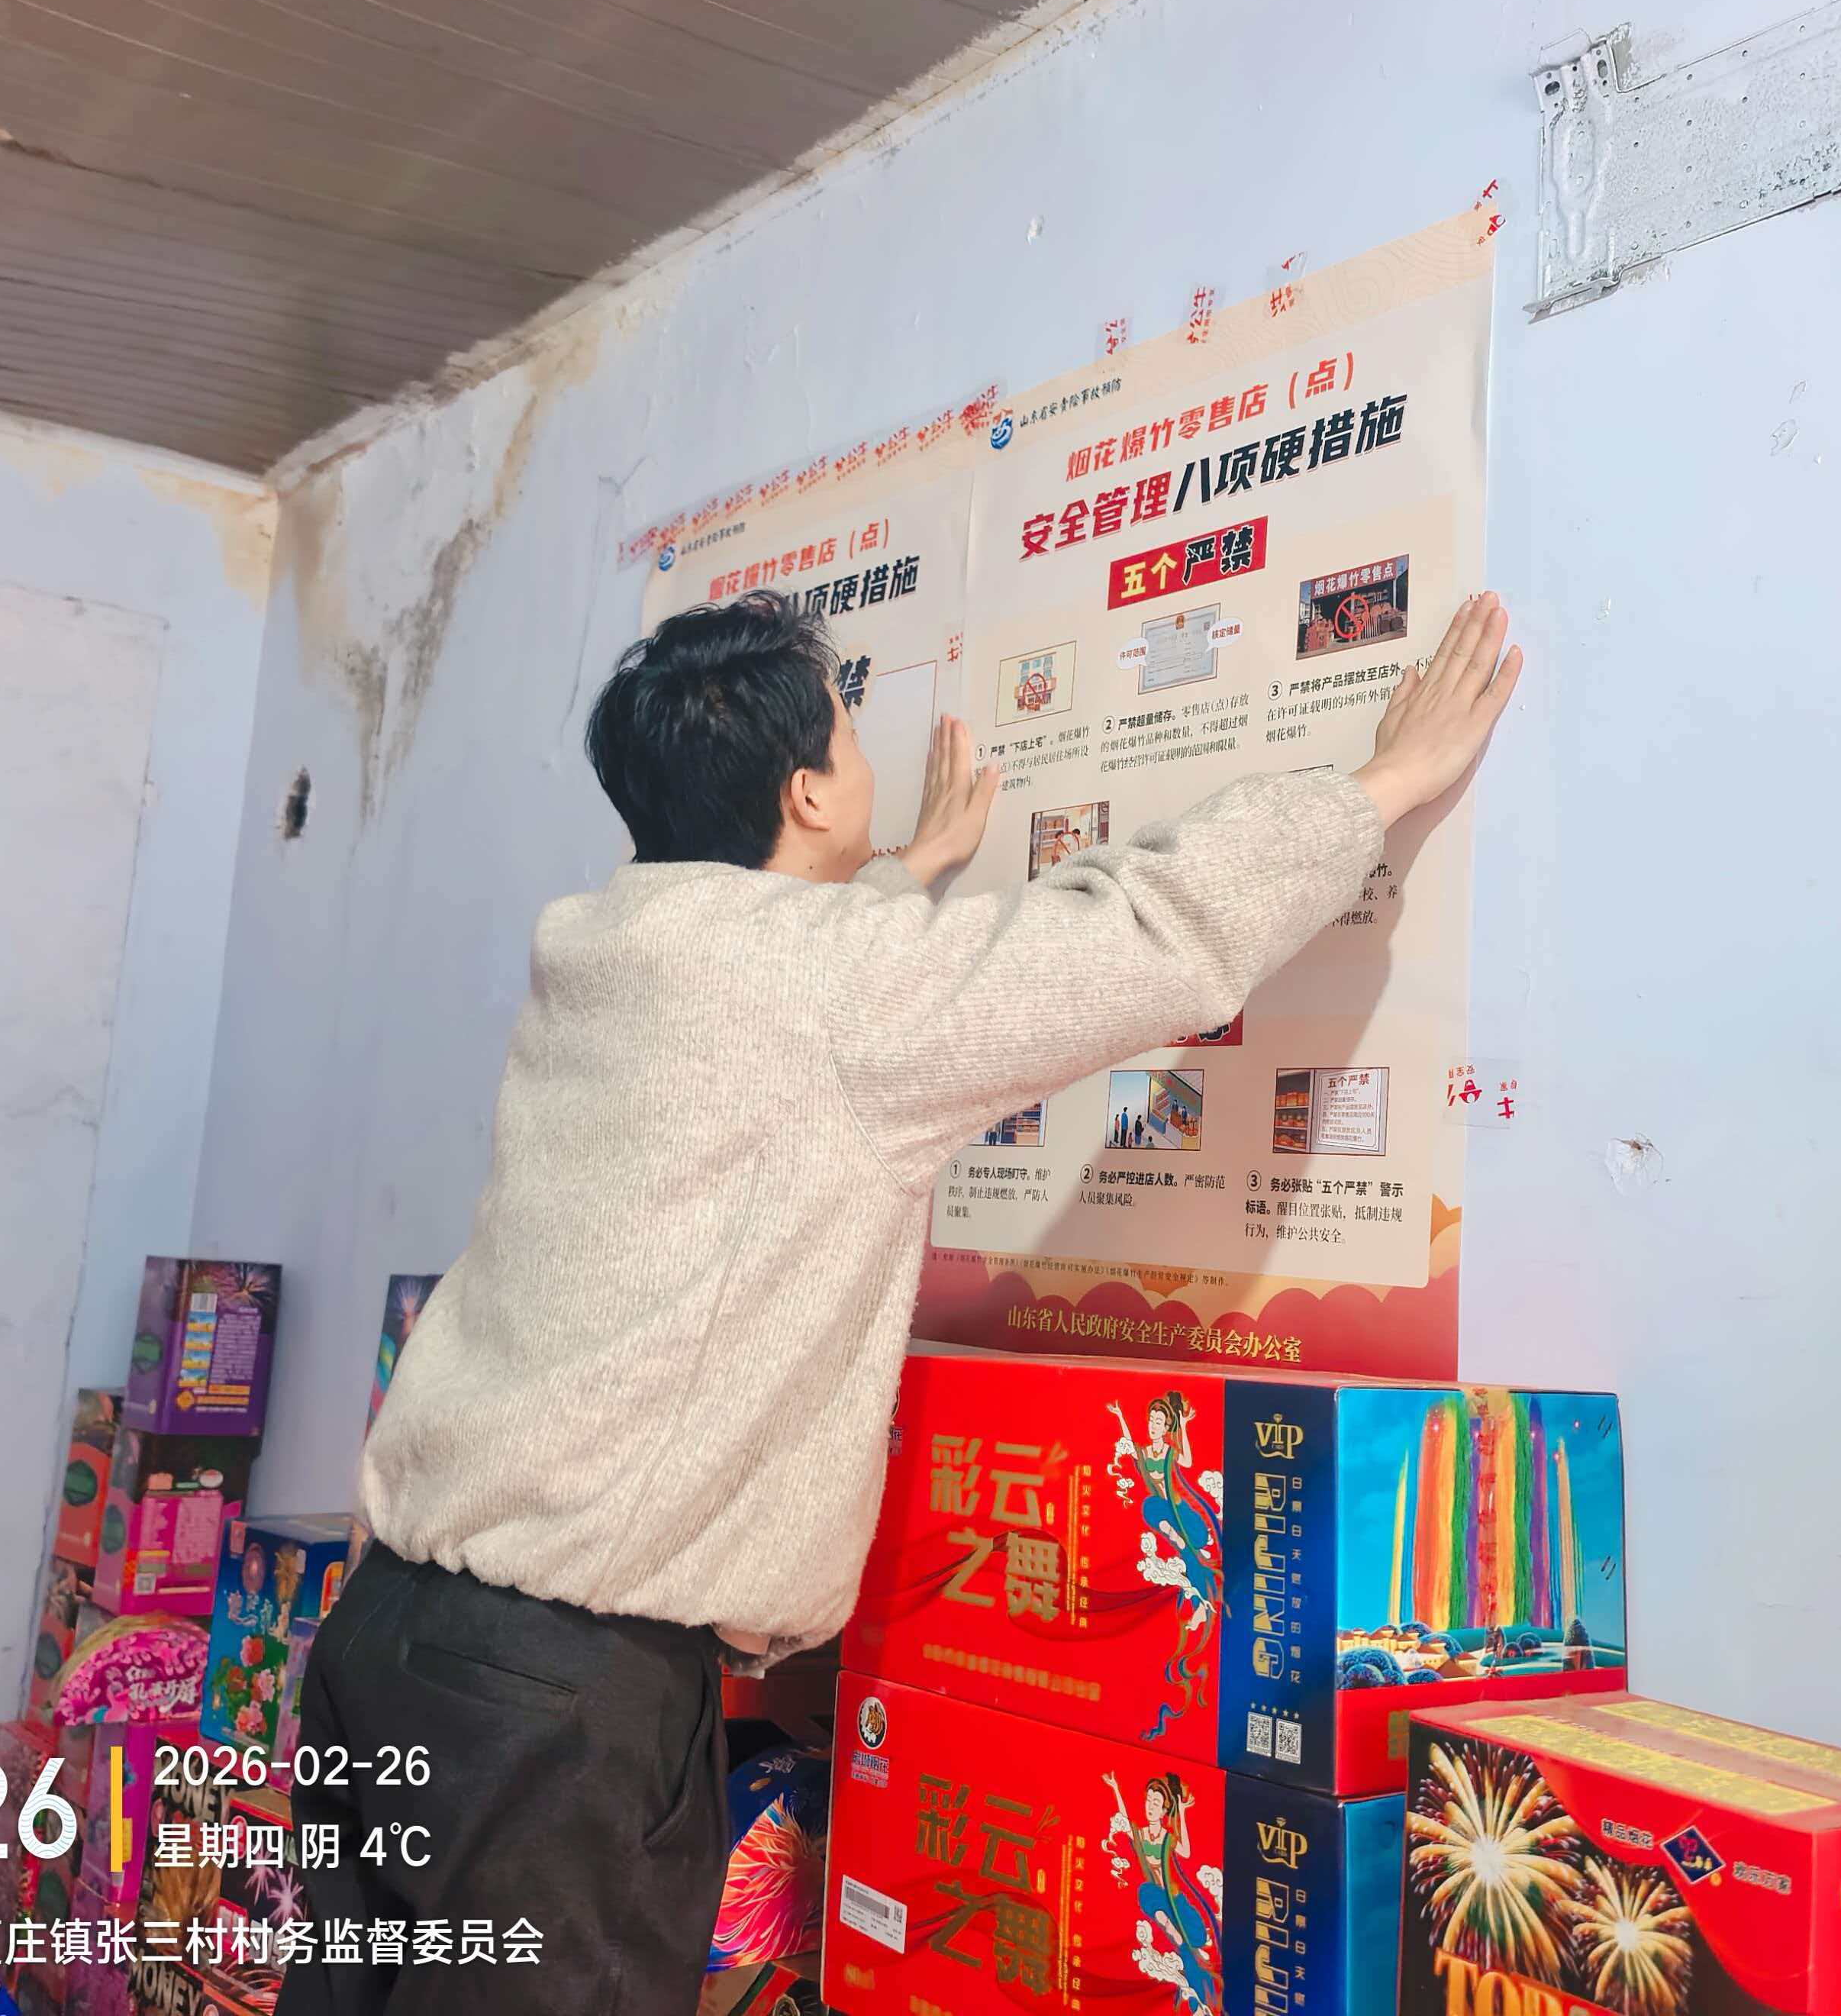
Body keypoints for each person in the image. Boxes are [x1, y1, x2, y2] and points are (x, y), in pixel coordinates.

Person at [291, 587, 1523, 2016]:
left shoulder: (613, 961)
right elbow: (1145, 932)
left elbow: (785, 1005)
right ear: (808, 792)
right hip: (552, 1705)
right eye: (847, 729)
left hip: (391, 1645)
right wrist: (1381, 785)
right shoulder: (828, 992)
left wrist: (901, 877)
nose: (864, 755)